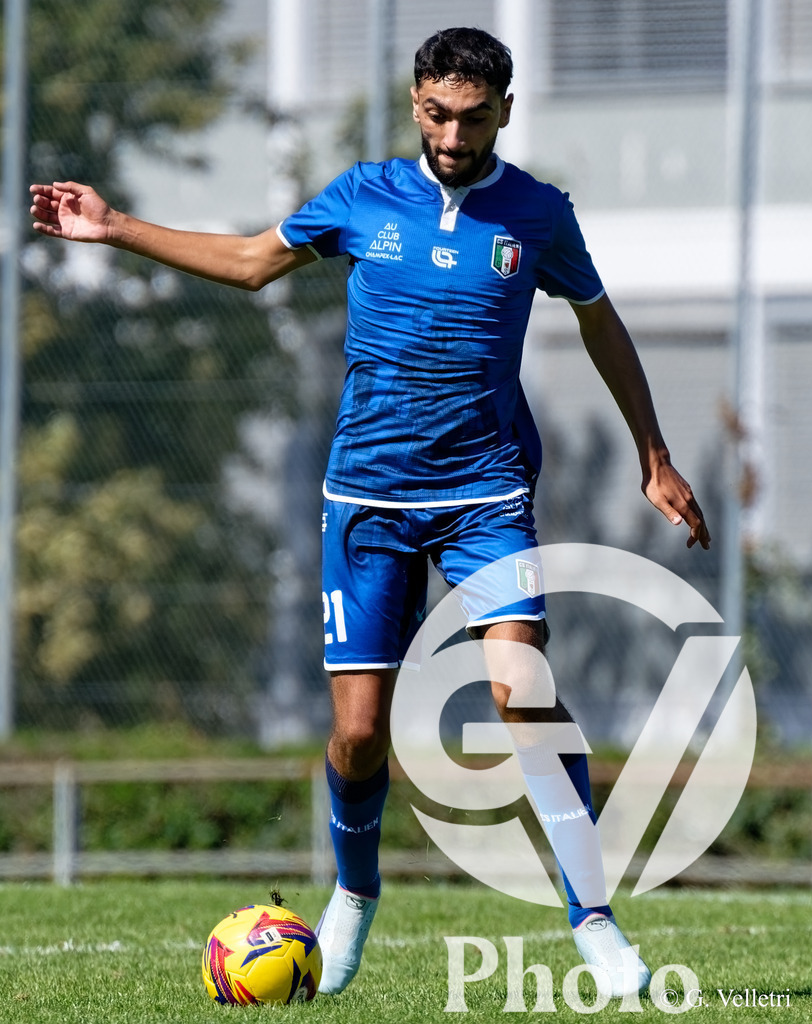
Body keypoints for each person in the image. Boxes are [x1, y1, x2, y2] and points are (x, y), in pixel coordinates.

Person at [31, 26, 709, 1000]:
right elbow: (253, 262)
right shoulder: (361, 197)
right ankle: (353, 891)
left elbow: (599, 318)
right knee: (356, 735)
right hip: (368, 501)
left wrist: (653, 454)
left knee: (519, 685)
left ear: (505, 114)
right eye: (437, 112)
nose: (452, 132)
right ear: (415, 104)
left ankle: (594, 919)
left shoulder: (539, 214)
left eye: (473, 117)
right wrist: (117, 227)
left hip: (486, 493)